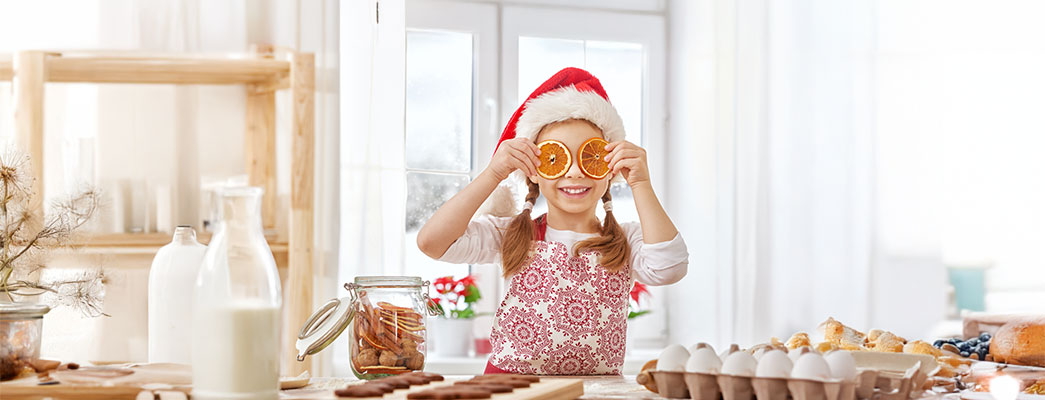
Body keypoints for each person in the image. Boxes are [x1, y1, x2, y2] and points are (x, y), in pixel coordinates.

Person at [417, 67, 688, 375]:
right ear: (534, 171)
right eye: (555, 159)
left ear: (609, 168)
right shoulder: (511, 233)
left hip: (595, 393)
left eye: (589, 157)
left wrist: (641, 183)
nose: (574, 172)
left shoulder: (626, 241)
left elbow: (670, 266)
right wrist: (493, 173)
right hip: (512, 390)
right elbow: (432, 242)